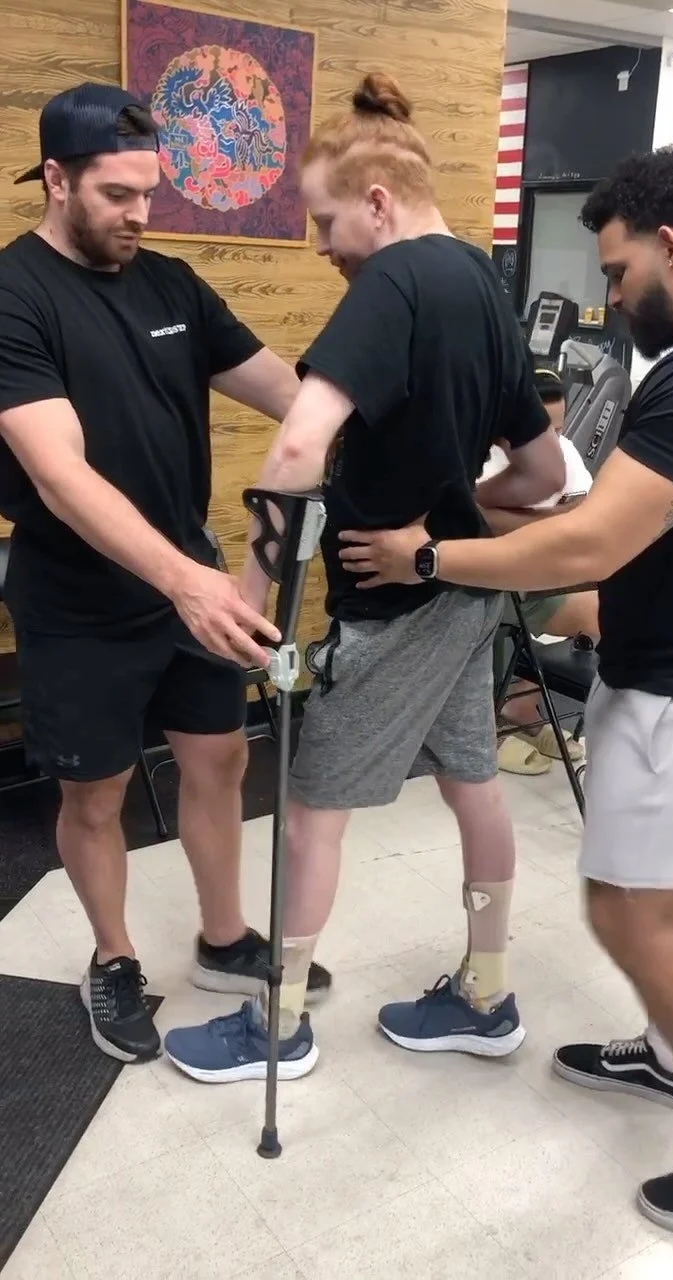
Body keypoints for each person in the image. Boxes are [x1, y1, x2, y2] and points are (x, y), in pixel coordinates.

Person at [339, 142, 673, 1236]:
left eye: (618, 272)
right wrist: (491, 517)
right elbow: (622, 527)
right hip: (668, 664)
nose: (613, 296)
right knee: (655, 893)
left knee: (623, 911)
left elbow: (590, 540)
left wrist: (428, 554)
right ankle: (671, 1053)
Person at [163, 72, 565, 1083]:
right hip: (466, 596)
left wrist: (247, 599)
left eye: (324, 221)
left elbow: (299, 448)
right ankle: (486, 992)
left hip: (397, 609)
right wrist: (453, 518)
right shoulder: (481, 281)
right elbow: (542, 473)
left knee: (311, 814)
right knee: (474, 784)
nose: (319, 245)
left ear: (377, 204)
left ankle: (280, 1023)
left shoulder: (394, 280)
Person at [0, 81, 331, 1064]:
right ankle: (113, 955)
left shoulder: (174, 285)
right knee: (96, 793)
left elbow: (287, 391)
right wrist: (185, 581)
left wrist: (393, 403)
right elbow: (59, 476)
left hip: (192, 584)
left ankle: (223, 936)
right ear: (56, 180)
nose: (140, 212)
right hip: (80, 601)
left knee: (220, 759)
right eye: (117, 193)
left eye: (149, 191)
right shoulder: (15, 295)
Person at [480, 366, 597, 775]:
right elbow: (480, 522)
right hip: (485, 584)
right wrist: (558, 522)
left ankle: (521, 708)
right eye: (544, 431)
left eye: (559, 430)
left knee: (608, 610)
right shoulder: (482, 455)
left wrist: (528, 524)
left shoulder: (563, 449)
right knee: (481, 615)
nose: (555, 441)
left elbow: (586, 514)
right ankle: (488, 730)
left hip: (540, 578)